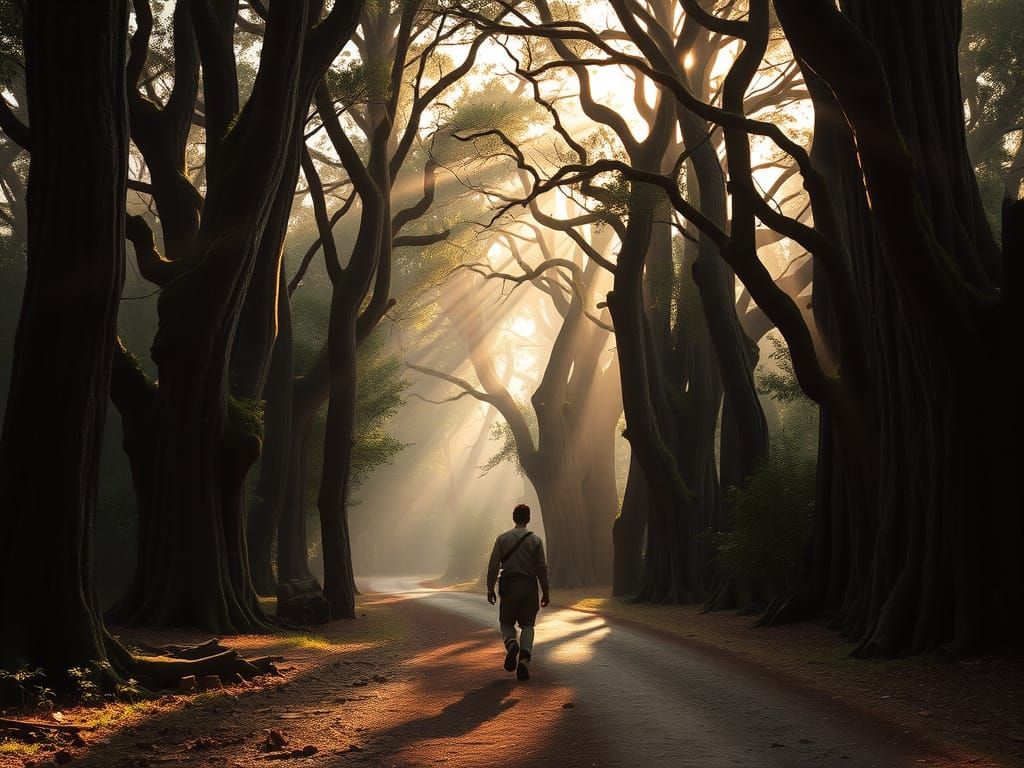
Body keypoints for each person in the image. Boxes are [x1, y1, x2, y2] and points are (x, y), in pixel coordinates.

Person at [486, 503, 550, 680]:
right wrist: (545, 591)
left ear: (514, 518)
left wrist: (490, 587)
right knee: (528, 624)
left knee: (506, 622)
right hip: (529, 586)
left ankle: (511, 643)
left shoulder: (502, 539)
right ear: (528, 519)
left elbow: (493, 565)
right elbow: (541, 569)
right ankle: (524, 658)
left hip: (509, 586)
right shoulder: (536, 541)